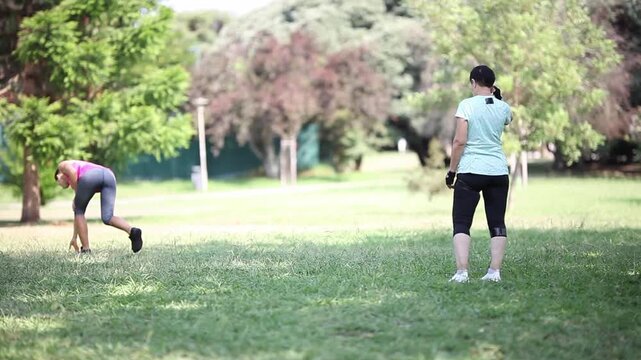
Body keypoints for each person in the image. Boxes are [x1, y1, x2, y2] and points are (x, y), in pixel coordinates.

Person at [446, 65, 511, 283]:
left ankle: (462, 272)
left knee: (462, 222)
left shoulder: (466, 105)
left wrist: (451, 171)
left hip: (471, 171)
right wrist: (496, 98)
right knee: (497, 222)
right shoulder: (503, 107)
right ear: (492, 84)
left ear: (474, 82)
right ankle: (494, 272)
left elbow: (459, 141)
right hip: (498, 171)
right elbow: (504, 119)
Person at [54, 160, 143, 254]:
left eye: (58, 183)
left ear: (58, 177)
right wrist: (74, 237)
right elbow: (77, 214)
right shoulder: (79, 171)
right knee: (107, 217)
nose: (62, 186)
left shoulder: (61, 166)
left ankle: (86, 249)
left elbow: (72, 172)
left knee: (79, 211)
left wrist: (77, 195)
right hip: (109, 175)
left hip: (91, 176)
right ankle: (133, 231)